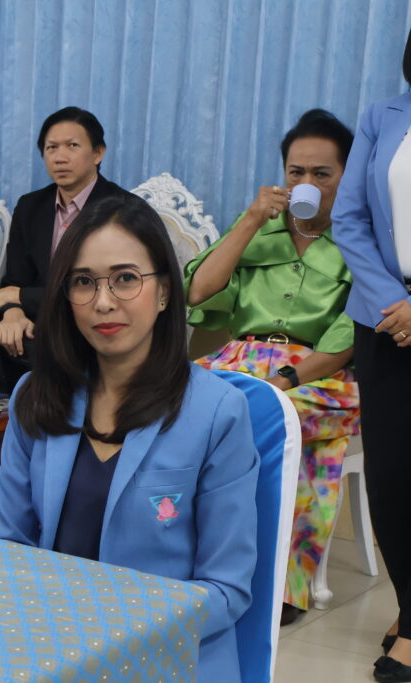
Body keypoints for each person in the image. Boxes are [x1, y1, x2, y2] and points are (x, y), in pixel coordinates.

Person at [0, 194, 258, 683]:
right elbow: (8, 549)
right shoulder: (36, 396)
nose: (103, 301)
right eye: (83, 282)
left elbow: (226, 589)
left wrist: (113, 644)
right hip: (49, 647)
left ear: (164, 292)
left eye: (126, 278)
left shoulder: (217, 411)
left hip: (165, 657)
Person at [185, 109, 358, 625]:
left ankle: (279, 580)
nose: (307, 183)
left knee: (280, 419)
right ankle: (191, 554)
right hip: (240, 359)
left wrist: (285, 380)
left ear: (346, 176)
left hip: (318, 373)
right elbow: (198, 291)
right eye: (296, 172)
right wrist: (250, 220)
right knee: (174, 403)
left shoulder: (359, 241)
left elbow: (350, 333)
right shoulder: (259, 232)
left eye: (322, 174)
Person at [0, 106, 129, 393]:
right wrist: (13, 312)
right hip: (31, 329)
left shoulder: (121, 210)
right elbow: (15, 279)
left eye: (72, 146)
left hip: (90, 333)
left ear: (97, 153)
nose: (60, 157)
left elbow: (103, 290)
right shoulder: (31, 207)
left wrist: (18, 296)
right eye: (51, 148)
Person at [332, 28, 411, 682]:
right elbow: (349, 218)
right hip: (385, 321)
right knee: (391, 477)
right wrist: (393, 301)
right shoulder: (382, 116)